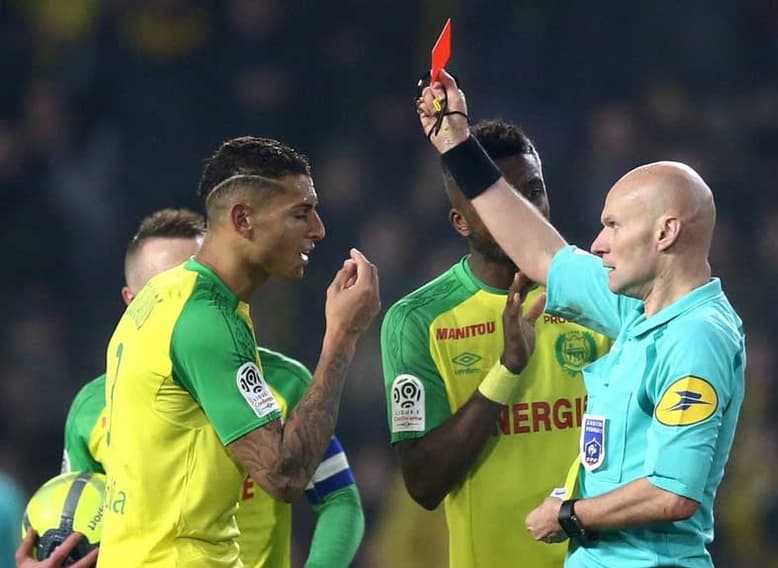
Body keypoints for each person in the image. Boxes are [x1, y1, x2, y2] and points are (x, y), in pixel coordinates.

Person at [415, 73, 746, 568]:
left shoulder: (696, 336)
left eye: (613, 225)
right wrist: (456, 144)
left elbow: (673, 493)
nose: (598, 243)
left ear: (665, 233)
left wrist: (569, 514)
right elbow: (540, 251)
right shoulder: (638, 309)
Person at [98, 137, 380, 567]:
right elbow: (283, 476)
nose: (318, 228)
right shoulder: (206, 319)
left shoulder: (163, 297)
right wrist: (342, 335)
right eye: (300, 213)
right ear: (243, 219)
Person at [55, 208, 364, 567]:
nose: (188, 301)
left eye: (202, 285)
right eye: (167, 288)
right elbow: (70, 518)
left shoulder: (284, 384)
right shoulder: (91, 408)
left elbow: (338, 499)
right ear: (132, 302)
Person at [381, 119, 611, 567]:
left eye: (533, 190)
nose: (523, 209)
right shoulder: (418, 320)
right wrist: (506, 372)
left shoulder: (602, 296)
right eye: (500, 196)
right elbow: (424, 483)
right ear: (460, 220)